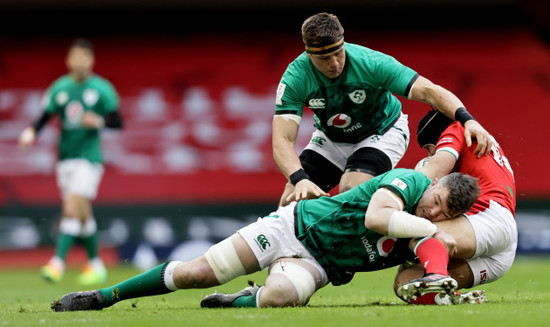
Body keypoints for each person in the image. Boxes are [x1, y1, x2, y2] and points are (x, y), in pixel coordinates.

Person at [51, 168, 479, 311]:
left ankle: (233, 302)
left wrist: (440, 278)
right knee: (198, 272)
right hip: (291, 227)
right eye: (436, 200)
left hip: (318, 265)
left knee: (277, 298)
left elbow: (431, 255)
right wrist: (429, 229)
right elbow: (378, 216)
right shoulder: (409, 181)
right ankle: (103, 296)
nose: (433, 212)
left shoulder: (431, 231)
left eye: (445, 213)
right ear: (435, 184)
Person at [273, 12, 492, 207]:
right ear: (308, 54)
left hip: (381, 131)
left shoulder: (372, 63)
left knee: (350, 191)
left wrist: (469, 120)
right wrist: (300, 179)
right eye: (324, 58)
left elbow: (429, 91)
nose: (334, 63)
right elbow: (282, 140)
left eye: (338, 53)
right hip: (332, 138)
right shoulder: (295, 79)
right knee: (291, 200)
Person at [18, 38, 123, 285]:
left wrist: (98, 121)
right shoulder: (60, 88)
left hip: (89, 158)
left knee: (72, 206)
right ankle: (96, 265)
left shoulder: (102, 89)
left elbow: (118, 121)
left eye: (84, 56)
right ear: (68, 60)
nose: (80, 61)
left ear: (91, 60)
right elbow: (45, 116)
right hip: (65, 159)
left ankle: (57, 262)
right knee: (82, 213)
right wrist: (31, 131)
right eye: (75, 56)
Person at [393, 109, 517, 305]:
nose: (431, 154)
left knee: (419, 231)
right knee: (406, 284)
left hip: (488, 220)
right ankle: (452, 297)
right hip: (498, 247)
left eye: (430, 148)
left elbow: (434, 169)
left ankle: (437, 277)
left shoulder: (456, 129)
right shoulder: (478, 142)